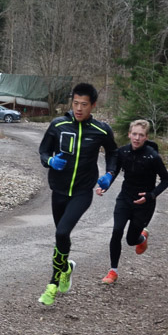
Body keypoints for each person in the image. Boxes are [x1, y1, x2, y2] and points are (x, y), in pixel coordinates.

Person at [37, 82, 117, 304]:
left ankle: (52, 284)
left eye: (84, 104)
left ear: (92, 105)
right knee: (61, 236)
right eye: (75, 103)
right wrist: (50, 161)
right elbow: (43, 150)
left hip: (82, 192)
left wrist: (110, 174)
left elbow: (114, 154)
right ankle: (66, 267)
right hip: (59, 190)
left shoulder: (101, 130)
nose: (79, 108)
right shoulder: (58, 124)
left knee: (62, 233)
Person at [96, 119, 168, 285]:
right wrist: (106, 186)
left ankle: (142, 238)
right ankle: (113, 271)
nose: (137, 138)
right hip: (125, 198)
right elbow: (114, 171)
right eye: (134, 134)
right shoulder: (123, 152)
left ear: (146, 137)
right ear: (129, 134)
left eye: (141, 135)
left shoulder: (152, 156)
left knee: (131, 240)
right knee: (116, 231)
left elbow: (166, 180)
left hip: (144, 204)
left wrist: (151, 195)